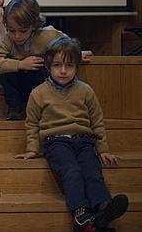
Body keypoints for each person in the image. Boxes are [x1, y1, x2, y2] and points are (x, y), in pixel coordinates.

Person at [14, 37, 128, 232]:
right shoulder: (38, 93)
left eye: (69, 65)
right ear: (48, 66)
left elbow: (97, 122)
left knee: (92, 172)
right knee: (72, 172)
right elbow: (32, 123)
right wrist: (32, 149)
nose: (63, 71)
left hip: (84, 141)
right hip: (56, 142)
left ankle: (103, 210)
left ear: (77, 66)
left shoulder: (86, 91)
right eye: (57, 65)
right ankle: (81, 214)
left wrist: (103, 149)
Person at [0, 0, 65, 121]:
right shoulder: (8, 40)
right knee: (5, 71)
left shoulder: (48, 35)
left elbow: (68, 45)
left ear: (33, 25)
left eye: (23, 31)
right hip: (18, 85)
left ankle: (42, 109)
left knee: (44, 67)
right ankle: (15, 109)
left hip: (39, 84)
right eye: (12, 30)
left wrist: (78, 53)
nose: (17, 36)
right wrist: (20, 64)